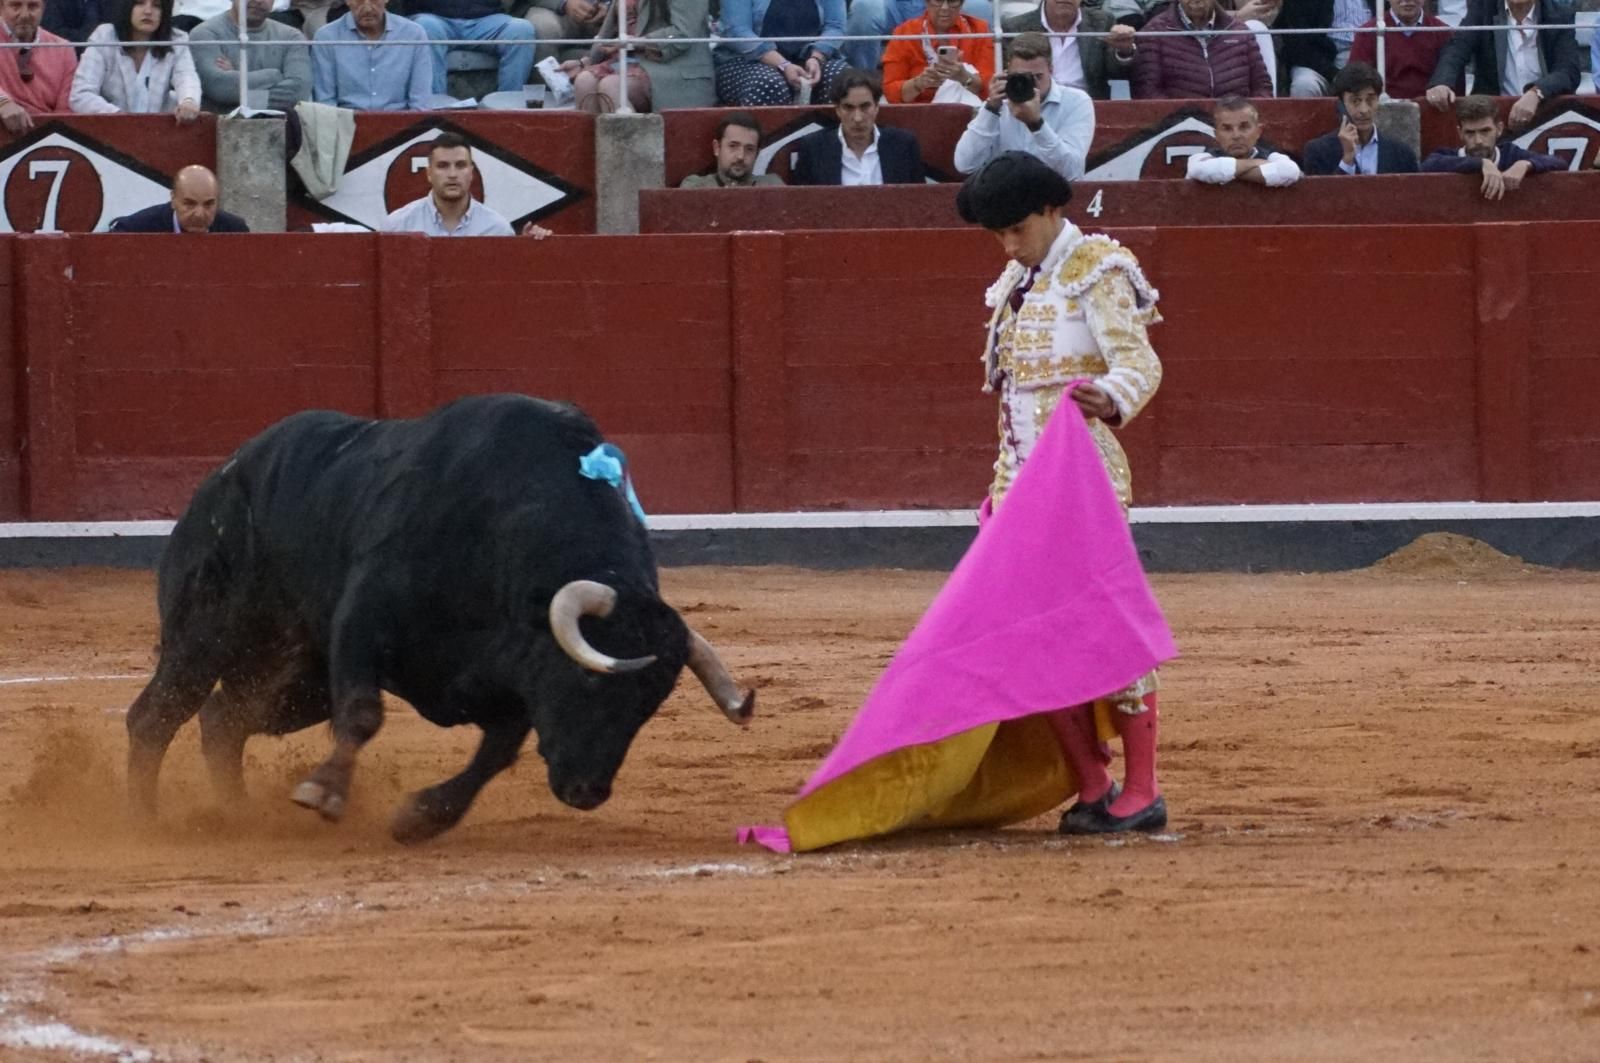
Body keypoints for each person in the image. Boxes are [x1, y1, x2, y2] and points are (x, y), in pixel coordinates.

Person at [956, 150, 1167, 835]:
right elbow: (1013, 397)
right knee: (1028, 639)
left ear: (1052, 209)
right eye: (998, 235)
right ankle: (1091, 779)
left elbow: (1139, 361)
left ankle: (1143, 787)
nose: (1008, 245)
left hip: (1083, 480)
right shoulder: (1016, 281)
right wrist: (998, 487)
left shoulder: (1096, 268)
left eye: (1016, 229)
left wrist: (1109, 395)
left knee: (1101, 629)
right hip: (1018, 478)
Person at [953, 32, 1094, 181]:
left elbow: (1071, 171)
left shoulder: (1076, 101)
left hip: (1052, 193)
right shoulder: (998, 102)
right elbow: (965, 164)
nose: (1032, 85)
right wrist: (991, 109)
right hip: (1004, 193)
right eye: (1022, 77)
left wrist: (1037, 126)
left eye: (1037, 77)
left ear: (1051, 70)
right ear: (1007, 72)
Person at [1426, 0, 1580, 132]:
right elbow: (1458, 46)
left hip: (1546, 113)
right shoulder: (1484, 8)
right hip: (1494, 118)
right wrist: (1442, 82)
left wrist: (1536, 93)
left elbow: (1568, 71)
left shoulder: (1559, 13)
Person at [381, 132, 554, 236]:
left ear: (471, 173)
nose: (452, 174)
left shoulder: (496, 229)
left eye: (460, 165)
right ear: (428, 174)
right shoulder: (397, 225)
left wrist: (531, 249)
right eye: (443, 166)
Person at [559, 0, 714, 113]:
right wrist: (584, 62)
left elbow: (683, 34)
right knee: (584, 81)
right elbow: (619, 32)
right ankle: (591, 157)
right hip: (630, 60)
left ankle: (630, 156)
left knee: (612, 86)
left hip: (677, 68)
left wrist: (634, 43)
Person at [70, 0, 201, 120]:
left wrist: (189, 101)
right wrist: (119, 117)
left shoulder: (177, 39)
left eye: (157, 6)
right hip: (108, 132)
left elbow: (186, 76)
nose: (148, 11)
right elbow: (81, 95)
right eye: (139, 3)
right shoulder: (104, 36)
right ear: (127, 7)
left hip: (159, 133)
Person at [789, 69, 924, 186]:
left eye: (865, 106)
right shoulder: (814, 147)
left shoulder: (903, 144)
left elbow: (917, 202)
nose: (858, 118)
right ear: (838, 110)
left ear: (876, 107)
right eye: (848, 107)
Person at [1421, 94, 1564, 198]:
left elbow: (1559, 162)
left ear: (1499, 129)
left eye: (1485, 131)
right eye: (1470, 133)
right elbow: (1427, 166)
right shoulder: (1447, 156)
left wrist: (1525, 164)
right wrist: (1481, 163)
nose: (1478, 140)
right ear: (1460, 133)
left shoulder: (1511, 154)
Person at [713, 0, 847, 107]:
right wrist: (783, 65)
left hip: (810, 57)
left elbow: (835, 26)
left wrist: (816, 58)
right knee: (768, 84)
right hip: (747, 60)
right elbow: (737, 31)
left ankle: (830, 139)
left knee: (842, 79)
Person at [1129, 0, 1272, 100]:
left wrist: (1245, 117)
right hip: (1178, 130)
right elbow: (1147, 93)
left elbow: (1262, 87)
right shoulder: (1154, 32)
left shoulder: (1239, 31)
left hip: (1236, 130)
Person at [188, 0, 311, 112]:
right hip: (219, 127)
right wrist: (273, 76)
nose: (258, 1)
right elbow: (219, 87)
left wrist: (237, 88)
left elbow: (299, 92)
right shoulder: (205, 34)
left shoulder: (292, 37)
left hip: (281, 127)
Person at [1001, 0, 1135, 100]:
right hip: (1036, 105)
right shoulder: (1014, 27)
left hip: (1090, 107)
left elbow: (1118, 73)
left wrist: (1124, 50)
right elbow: (1008, 77)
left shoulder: (1102, 21)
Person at [312, 0, 431, 111]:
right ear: (347, 1)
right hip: (344, 124)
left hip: (403, 124)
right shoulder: (326, 37)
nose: (368, 8)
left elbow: (420, 101)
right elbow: (325, 102)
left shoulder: (413, 34)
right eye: (359, 0)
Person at [1302, 62, 1418, 174]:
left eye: (1370, 100)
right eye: (1355, 101)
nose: (1364, 110)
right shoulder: (1318, 152)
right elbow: (1322, 194)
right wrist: (1347, 161)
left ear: (1378, 100)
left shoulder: (1402, 154)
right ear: (1341, 104)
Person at [407, 0, 535, 100]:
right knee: (425, 27)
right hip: (434, 18)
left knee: (522, 29)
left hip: (486, 20)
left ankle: (508, 108)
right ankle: (434, 110)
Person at [880, 0, 991, 105]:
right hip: (918, 115)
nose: (945, 8)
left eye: (952, 1)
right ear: (926, 2)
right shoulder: (905, 32)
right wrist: (920, 83)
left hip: (969, 115)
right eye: (938, 1)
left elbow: (990, 89)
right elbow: (891, 93)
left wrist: (964, 77)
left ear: (961, 3)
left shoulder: (978, 30)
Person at [841, 0, 991, 74]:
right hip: (892, 4)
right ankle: (862, 83)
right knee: (864, 7)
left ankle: (972, 80)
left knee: (980, 6)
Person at [1185, 96, 1301, 186]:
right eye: (1227, 129)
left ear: (1258, 132)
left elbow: (1290, 171)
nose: (1236, 135)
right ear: (1216, 135)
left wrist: (1228, 173)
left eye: (1244, 127)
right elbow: (1199, 170)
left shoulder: (1273, 157)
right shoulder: (1199, 159)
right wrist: (1255, 163)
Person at [1348, 0, 1453, 100]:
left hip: (1431, 109)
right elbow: (1357, 82)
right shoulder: (1367, 33)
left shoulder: (1442, 31)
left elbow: (1454, 86)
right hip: (1385, 111)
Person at [0, 0, 76, 131]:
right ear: (1, 8)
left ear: (43, 9)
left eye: (33, 6)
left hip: (47, 138)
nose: (24, 15)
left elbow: (65, 113)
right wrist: (3, 102)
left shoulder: (63, 48)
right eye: (16, 6)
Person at [108, 164, 250, 231]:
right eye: (189, 204)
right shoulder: (138, 227)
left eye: (208, 204)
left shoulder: (234, 229)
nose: (199, 214)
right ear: (173, 200)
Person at [679, 111, 785, 187]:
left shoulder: (773, 186)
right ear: (717, 148)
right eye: (733, 146)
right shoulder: (696, 187)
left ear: (757, 153)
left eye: (749, 149)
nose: (741, 156)